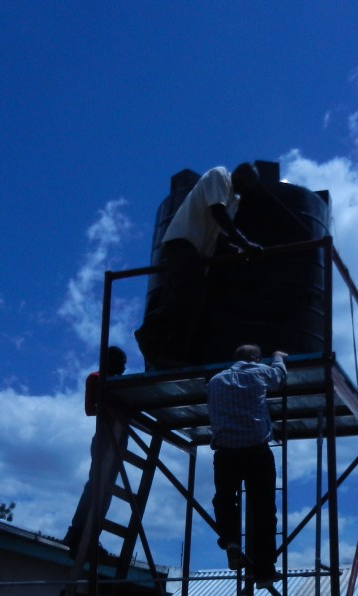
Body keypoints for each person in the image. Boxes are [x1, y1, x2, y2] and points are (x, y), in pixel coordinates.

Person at [136, 163, 264, 369]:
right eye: (247, 183)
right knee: (189, 296)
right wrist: (246, 243)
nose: (247, 189)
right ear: (239, 174)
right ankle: (150, 333)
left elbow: (221, 235)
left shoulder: (235, 199)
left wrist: (237, 250)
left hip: (198, 253)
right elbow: (218, 213)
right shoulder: (220, 176)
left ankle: (172, 353)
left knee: (192, 302)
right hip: (183, 242)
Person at [206, 343, 286, 587]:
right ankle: (264, 572)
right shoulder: (260, 371)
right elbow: (279, 379)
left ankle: (231, 542)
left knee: (224, 501)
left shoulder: (215, 380)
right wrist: (278, 357)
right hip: (255, 451)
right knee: (263, 510)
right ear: (255, 358)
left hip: (225, 452)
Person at [63, 345, 128, 559]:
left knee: (106, 490)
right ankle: (76, 533)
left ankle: (91, 536)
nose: (124, 368)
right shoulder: (96, 378)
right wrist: (111, 407)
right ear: (111, 362)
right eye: (121, 363)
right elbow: (90, 409)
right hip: (104, 438)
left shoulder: (122, 383)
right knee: (95, 486)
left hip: (120, 439)